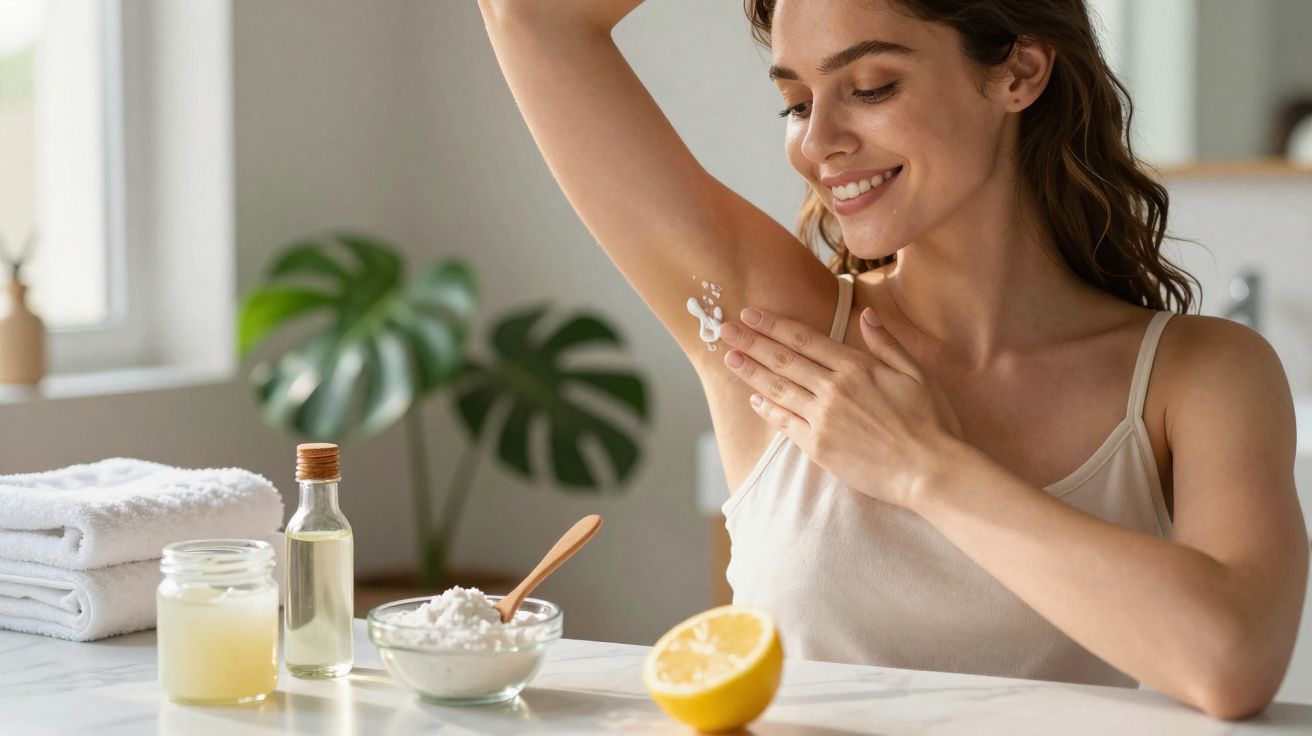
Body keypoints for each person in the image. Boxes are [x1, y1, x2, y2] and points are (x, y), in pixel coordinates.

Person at [476, 0, 1307, 719]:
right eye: (797, 103)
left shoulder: (1195, 376)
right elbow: (533, 17)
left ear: (1018, 72)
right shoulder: (776, 324)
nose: (820, 143)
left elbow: (1230, 661)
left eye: (871, 88)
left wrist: (923, 469)